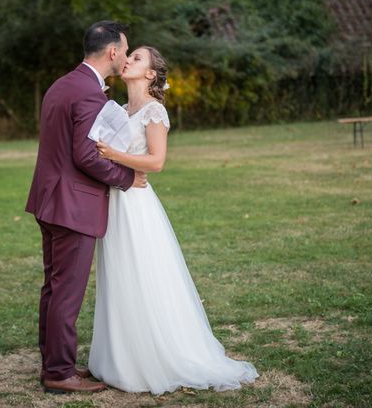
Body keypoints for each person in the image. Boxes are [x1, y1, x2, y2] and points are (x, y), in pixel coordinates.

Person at [89, 46, 259, 395]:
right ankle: (122, 356)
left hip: (137, 204)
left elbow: (156, 162)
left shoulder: (154, 111)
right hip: (115, 202)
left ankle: (158, 355)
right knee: (120, 276)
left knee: (143, 273)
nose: (128, 60)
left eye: (136, 58)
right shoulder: (121, 110)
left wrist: (113, 155)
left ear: (150, 74)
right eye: (129, 56)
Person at [25, 21, 148, 394]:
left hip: (49, 200)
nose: (125, 57)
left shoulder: (63, 85)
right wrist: (128, 179)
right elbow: (85, 157)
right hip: (73, 206)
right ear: (112, 52)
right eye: (125, 51)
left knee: (54, 287)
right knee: (67, 291)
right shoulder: (89, 95)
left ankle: (54, 363)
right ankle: (59, 373)